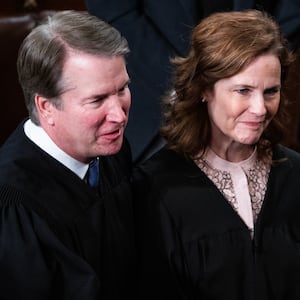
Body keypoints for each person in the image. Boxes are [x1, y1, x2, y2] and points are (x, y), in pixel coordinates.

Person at [133, 9, 300, 299]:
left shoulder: (296, 175)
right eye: (243, 90)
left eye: (271, 91)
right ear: (204, 89)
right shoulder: (154, 189)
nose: (260, 109)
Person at [0, 10, 135, 300]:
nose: (119, 115)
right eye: (97, 99)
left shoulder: (110, 147)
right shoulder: (14, 209)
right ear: (47, 106)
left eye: (122, 89)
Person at [86, 0, 300, 163]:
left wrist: (256, 58)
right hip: (154, 111)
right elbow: (114, 12)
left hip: (254, 118)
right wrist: (192, 75)